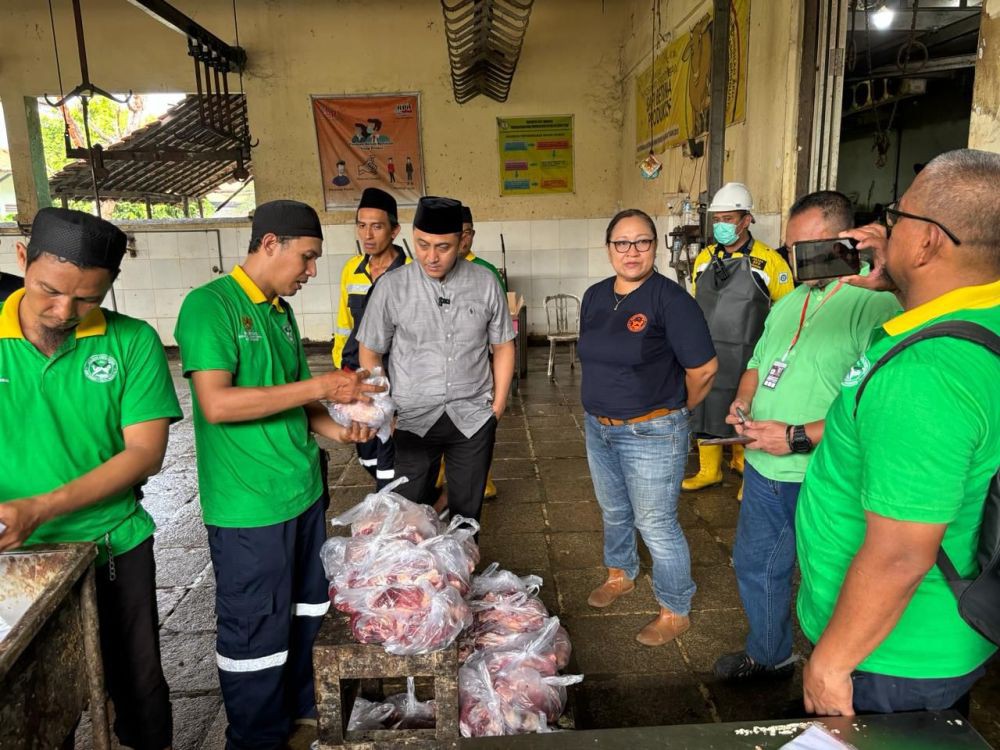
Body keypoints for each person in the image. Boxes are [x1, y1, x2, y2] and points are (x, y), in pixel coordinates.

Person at [796, 149, 1000, 716]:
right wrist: (899, 280)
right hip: (946, 633)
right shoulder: (981, 324)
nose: (883, 228)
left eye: (895, 216)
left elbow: (899, 555)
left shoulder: (923, 374)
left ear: (929, 241)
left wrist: (832, 663)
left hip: (889, 657)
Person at [174, 200, 380, 750]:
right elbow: (217, 404)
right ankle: (258, 737)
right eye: (307, 258)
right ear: (270, 244)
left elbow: (293, 404)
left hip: (302, 492)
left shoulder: (278, 311)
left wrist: (341, 429)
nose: (311, 272)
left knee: (308, 611)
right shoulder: (210, 307)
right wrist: (322, 386)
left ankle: (304, 711)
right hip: (249, 505)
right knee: (254, 631)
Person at [0, 207, 179, 750]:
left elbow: (145, 452)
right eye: (49, 291)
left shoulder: (132, 342)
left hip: (112, 545)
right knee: (32, 700)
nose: (63, 310)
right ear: (21, 259)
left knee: (139, 686)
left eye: (87, 300)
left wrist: (43, 507)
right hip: (14, 557)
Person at [711, 191, 900, 681]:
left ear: (845, 241)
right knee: (755, 566)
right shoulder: (790, 301)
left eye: (807, 248)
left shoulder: (877, 306)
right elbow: (756, 364)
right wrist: (743, 402)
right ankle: (770, 655)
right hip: (763, 466)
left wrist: (796, 436)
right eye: (790, 247)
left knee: (832, 581)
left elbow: (874, 408)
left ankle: (842, 675)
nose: (795, 259)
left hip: (823, 474)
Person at [579, 208, 718, 647]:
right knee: (615, 511)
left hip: (653, 431)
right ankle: (621, 574)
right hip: (598, 427)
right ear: (608, 249)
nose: (632, 251)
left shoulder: (672, 301)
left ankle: (676, 608)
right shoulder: (596, 296)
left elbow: (704, 369)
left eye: (642, 242)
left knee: (656, 522)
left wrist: (675, 410)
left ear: (655, 247)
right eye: (622, 243)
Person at [358, 196, 515, 523]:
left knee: (466, 515)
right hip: (412, 418)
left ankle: (461, 573)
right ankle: (415, 573)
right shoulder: (392, 287)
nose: (431, 257)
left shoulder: (485, 283)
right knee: (408, 515)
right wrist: (382, 408)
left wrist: (497, 405)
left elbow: (502, 346)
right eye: (422, 245)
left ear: (462, 241)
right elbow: (371, 350)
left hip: (472, 417)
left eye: (443, 247)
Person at [683, 182, 794, 495]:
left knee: (743, 408)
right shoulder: (704, 258)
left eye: (728, 219)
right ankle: (709, 470)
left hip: (748, 353)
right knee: (705, 405)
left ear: (746, 220)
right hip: (707, 350)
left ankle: (745, 466)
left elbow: (787, 311)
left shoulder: (770, 261)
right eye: (717, 220)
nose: (721, 226)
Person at [333, 187, 409, 489]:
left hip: (397, 378)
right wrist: (343, 373)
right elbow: (343, 325)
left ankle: (393, 512)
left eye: (376, 226)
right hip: (359, 377)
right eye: (361, 225)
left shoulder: (409, 273)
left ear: (394, 231)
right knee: (366, 452)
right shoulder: (351, 270)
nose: (367, 234)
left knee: (392, 455)